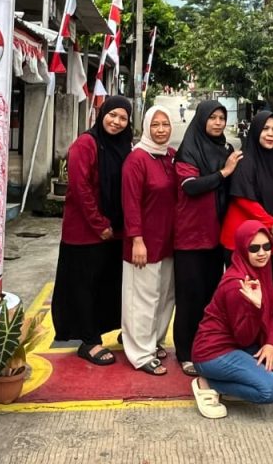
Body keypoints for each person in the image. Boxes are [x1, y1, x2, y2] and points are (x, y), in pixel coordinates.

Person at [52, 96, 131, 366]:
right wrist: (100, 224)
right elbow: (80, 188)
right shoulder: (86, 144)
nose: (116, 122)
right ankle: (89, 341)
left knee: (108, 285)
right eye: (112, 115)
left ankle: (113, 331)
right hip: (85, 232)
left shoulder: (123, 146)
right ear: (102, 114)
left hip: (114, 231)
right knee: (84, 287)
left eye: (123, 118)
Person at [191, 221, 273, 419]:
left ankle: (241, 380)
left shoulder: (261, 270)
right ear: (242, 249)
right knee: (271, 390)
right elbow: (244, 338)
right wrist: (255, 308)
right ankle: (208, 383)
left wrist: (271, 343)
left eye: (266, 246)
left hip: (236, 345)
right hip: (213, 353)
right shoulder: (236, 285)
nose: (262, 253)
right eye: (254, 248)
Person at [173, 100, 242, 376]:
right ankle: (185, 352)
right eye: (212, 117)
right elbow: (190, 186)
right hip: (191, 236)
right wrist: (223, 172)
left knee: (210, 297)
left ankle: (206, 346)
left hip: (217, 235)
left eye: (221, 118)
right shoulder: (188, 149)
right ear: (201, 119)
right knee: (189, 297)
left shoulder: (226, 149)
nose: (217, 123)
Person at [120, 105, 178, 376]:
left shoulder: (170, 156)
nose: (161, 130)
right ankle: (140, 353)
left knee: (165, 296)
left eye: (165, 124)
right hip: (143, 242)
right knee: (142, 299)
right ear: (145, 127)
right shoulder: (137, 159)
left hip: (168, 240)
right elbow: (130, 203)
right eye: (155, 125)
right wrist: (136, 239)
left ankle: (154, 341)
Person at [221, 111, 273, 307]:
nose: (270, 134)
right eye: (265, 129)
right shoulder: (244, 160)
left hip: (272, 238)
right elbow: (243, 198)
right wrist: (271, 223)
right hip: (242, 240)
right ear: (255, 131)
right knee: (242, 297)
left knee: (269, 294)